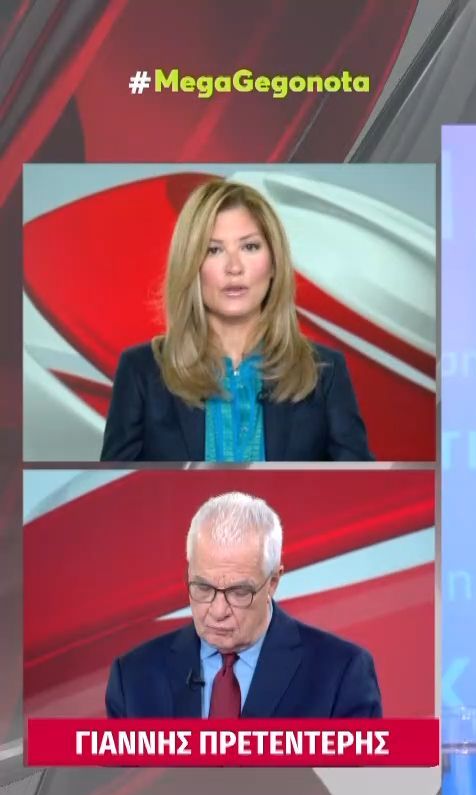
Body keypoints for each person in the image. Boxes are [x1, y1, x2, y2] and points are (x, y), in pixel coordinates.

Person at [101, 178, 373, 462]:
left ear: (274, 264)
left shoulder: (324, 372)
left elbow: (362, 483)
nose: (234, 267)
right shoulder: (140, 372)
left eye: (250, 247)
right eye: (214, 250)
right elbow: (120, 484)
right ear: (191, 266)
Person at [105, 492, 382, 718]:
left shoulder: (341, 674)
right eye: (203, 587)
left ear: (273, 582)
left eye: (238, 592)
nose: (217, 611)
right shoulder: (133, 677)